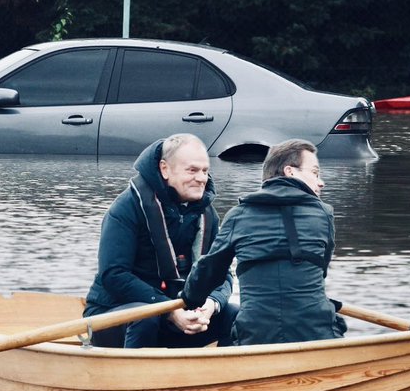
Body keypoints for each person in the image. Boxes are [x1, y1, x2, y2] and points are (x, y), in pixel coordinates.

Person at [181, 139, 346, 346]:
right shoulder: (324, 213)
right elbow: (320, 271)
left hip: (255, 337)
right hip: (317, 335)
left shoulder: (238, 215)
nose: (320, 182)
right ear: (290, 171)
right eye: (314, 172)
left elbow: (208, 272)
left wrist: (190, 299)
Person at [84, 133, 237, 348]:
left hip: (175, 315)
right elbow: (113, 274)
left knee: (235, 315)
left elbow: (222, 275)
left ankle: (226, 380)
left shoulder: (208, 215)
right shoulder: (126, 208)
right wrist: (169, 310)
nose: (201, 178)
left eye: (205, 171)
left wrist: (212, 304)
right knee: (145, 317)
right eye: (192, 170)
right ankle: (134, 379)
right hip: (113, 317)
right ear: (165, 169)